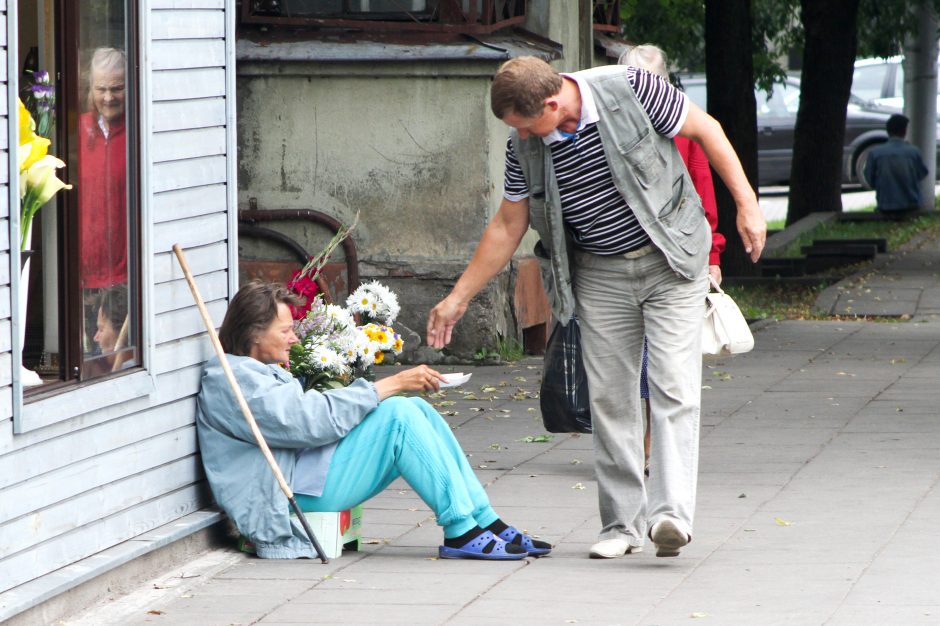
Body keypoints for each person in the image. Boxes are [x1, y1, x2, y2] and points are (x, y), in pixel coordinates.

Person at [427, 56, 765, 559]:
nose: (522, 135)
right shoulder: (524, 143)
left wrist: (748, 205)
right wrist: (458, 298)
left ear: (552, 101)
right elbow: (507, 225)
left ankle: (670, 515)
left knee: (673, 385)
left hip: (671, 258)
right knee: (610, 398)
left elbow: (708, 130)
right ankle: (621, 527)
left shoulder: (631, 88)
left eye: (526, 124)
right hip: (599, 272)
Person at [196, 281, 552, 561]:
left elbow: (306, 417)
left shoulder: (254, 371)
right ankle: (461, 529)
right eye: (285, 330)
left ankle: (482, 518)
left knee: (415, 409)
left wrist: (386, 392)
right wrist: (389, 384)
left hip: (304, 473)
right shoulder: (234, 382)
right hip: (286, 497)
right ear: (254, 333)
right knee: (398, 415)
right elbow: (310, 422)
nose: (294, 337)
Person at [618, 44, 725, 476]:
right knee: (626, 365)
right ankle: (634, 445)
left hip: (673, 263)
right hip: (617, 263)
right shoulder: (606, 127)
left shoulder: (683, 131)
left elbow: (703, 195)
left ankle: (652, 446)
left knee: (663, 366)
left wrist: (713, 252)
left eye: (647, 81)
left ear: (664, 84)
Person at [77, 47, 128, 351]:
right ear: (90, 89)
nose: (108, 97)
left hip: (123, 274)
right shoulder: (77, 130)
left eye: (117, 88)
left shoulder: (137, 130)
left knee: (114, 358)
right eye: (101, 89)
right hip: (83, 273)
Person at [864, 113, 928, 218]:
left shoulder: (875, 153)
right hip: (911, 205)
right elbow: (922, 174)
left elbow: (869, 178)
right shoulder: (914, 152)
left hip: (885, 206)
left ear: (888, 131)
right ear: (905, 131)